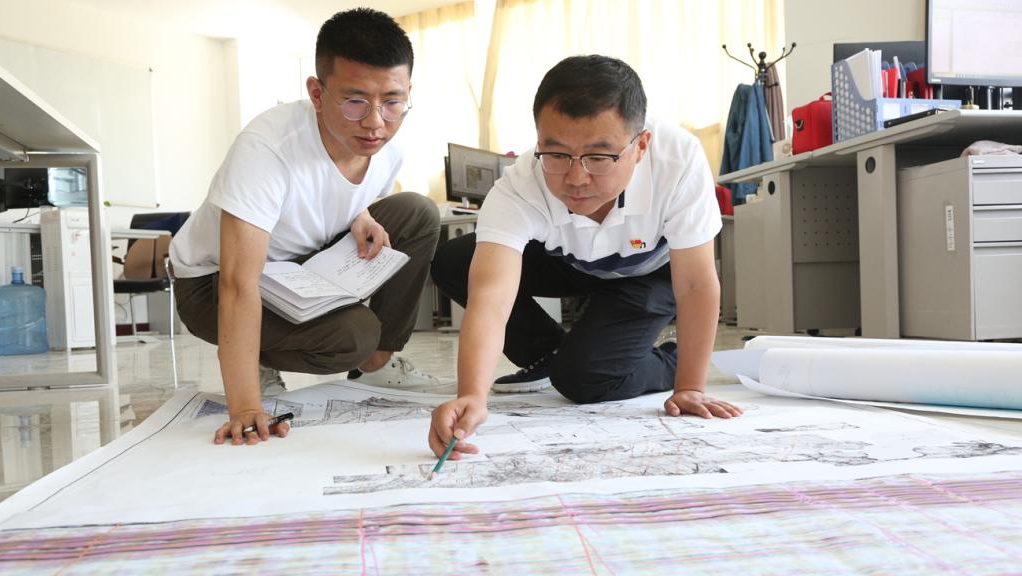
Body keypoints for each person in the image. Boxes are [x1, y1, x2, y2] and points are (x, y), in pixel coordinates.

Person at [427, 55, 742, 460]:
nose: (576, 178)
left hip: (647, 273)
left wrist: (690, 386)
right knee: (456, 260)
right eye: (557, 154)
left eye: (599, 157)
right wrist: (472, 393)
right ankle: (550, 354)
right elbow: (490, 295)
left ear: (640, 146)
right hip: (573, 263)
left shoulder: (677, 161)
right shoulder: (522, 184)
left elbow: (696, 283)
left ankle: (665, 358)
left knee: (584, 380)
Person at [169, 8, 441, 446]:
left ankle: (378, 365)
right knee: (354, 335)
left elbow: (332, 190)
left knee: (417, 212)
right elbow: (238, 283)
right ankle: (255, 362)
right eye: (355, 101)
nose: (375, 122)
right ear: (317, 93)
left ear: (407, 92)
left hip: (298, 267)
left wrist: (361, 214)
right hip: (213, 284)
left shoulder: (388, 147)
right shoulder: (267, 149)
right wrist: (245, 406)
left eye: (392, 102)